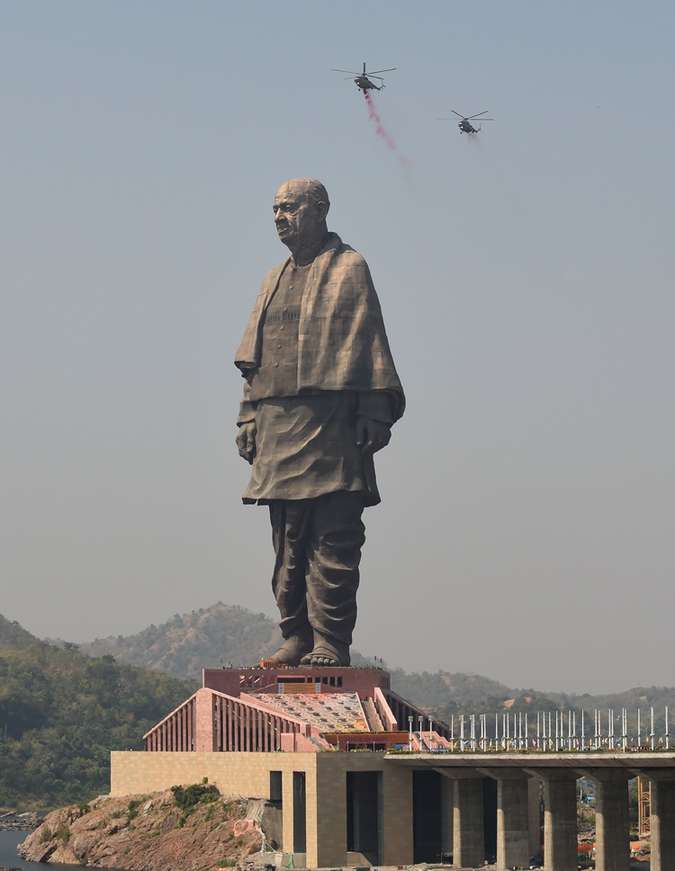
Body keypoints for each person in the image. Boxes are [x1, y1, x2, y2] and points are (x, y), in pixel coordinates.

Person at [235, 178, 404, 666]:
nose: (279, 217)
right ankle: (296, 634)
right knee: (287, 539)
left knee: (334, 534)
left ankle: (330, 639)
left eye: (289, 207)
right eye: (275, 209)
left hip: (332, 422)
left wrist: (373, 410)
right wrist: (248, 417)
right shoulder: (273, 278)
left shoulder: (349, 267)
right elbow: (255, 360)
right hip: (277, 421)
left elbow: (368, 341)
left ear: (320, 209)